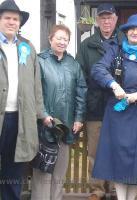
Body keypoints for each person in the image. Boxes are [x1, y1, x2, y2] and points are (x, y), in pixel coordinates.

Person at [91, 14, 137, 200]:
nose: (135, 32)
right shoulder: (115, 50)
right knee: (120, 160)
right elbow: (98, 69)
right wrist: (114, 85)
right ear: (127, 32)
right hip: (118, 111)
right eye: (132, 29)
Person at [31, 24, 87, 200]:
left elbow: (81, 92)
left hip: (66, 126)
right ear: (50, 39)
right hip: (44, 126)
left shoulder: (73, 64)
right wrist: (43, 115)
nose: (62, 42)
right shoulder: (40, 61)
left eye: (66, 39)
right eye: (59, 38)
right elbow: (34, 91)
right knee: (43, 172)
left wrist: (78, 119)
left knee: (59, 174)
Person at [76, 3, 123, 200]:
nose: (106, 21)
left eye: (109, 17)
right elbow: (80, 76)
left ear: (116, 19)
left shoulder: (124, 42)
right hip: (95, 107)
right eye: (102, 18)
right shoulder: (87, 45)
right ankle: (97, 190)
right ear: (97, 21)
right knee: (94, 152)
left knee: (116, 149)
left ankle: (114, 189)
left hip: (119, 107)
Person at [0, 0, 47, 199]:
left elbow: (36, 85)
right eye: (7, 18)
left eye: (15, 19)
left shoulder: (28, 48)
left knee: (14, 168)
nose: (11, 22)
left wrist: (41, 113)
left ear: (20, 24)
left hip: (20, 119)